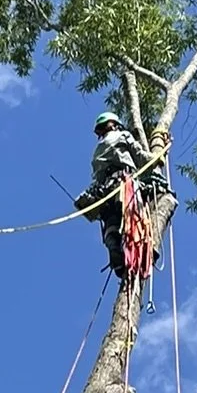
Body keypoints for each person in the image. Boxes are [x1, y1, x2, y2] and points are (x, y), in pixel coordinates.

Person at [76, 109, 159, 278]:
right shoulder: (122, 135)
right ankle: (144, 247)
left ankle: (114, 250)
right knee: (134, 218)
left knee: (111, 221)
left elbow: (97, 177)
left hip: (105, 191)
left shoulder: (98, 149)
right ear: (114, 124)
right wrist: (158, 156)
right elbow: (140, 156)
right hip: (124, 184)